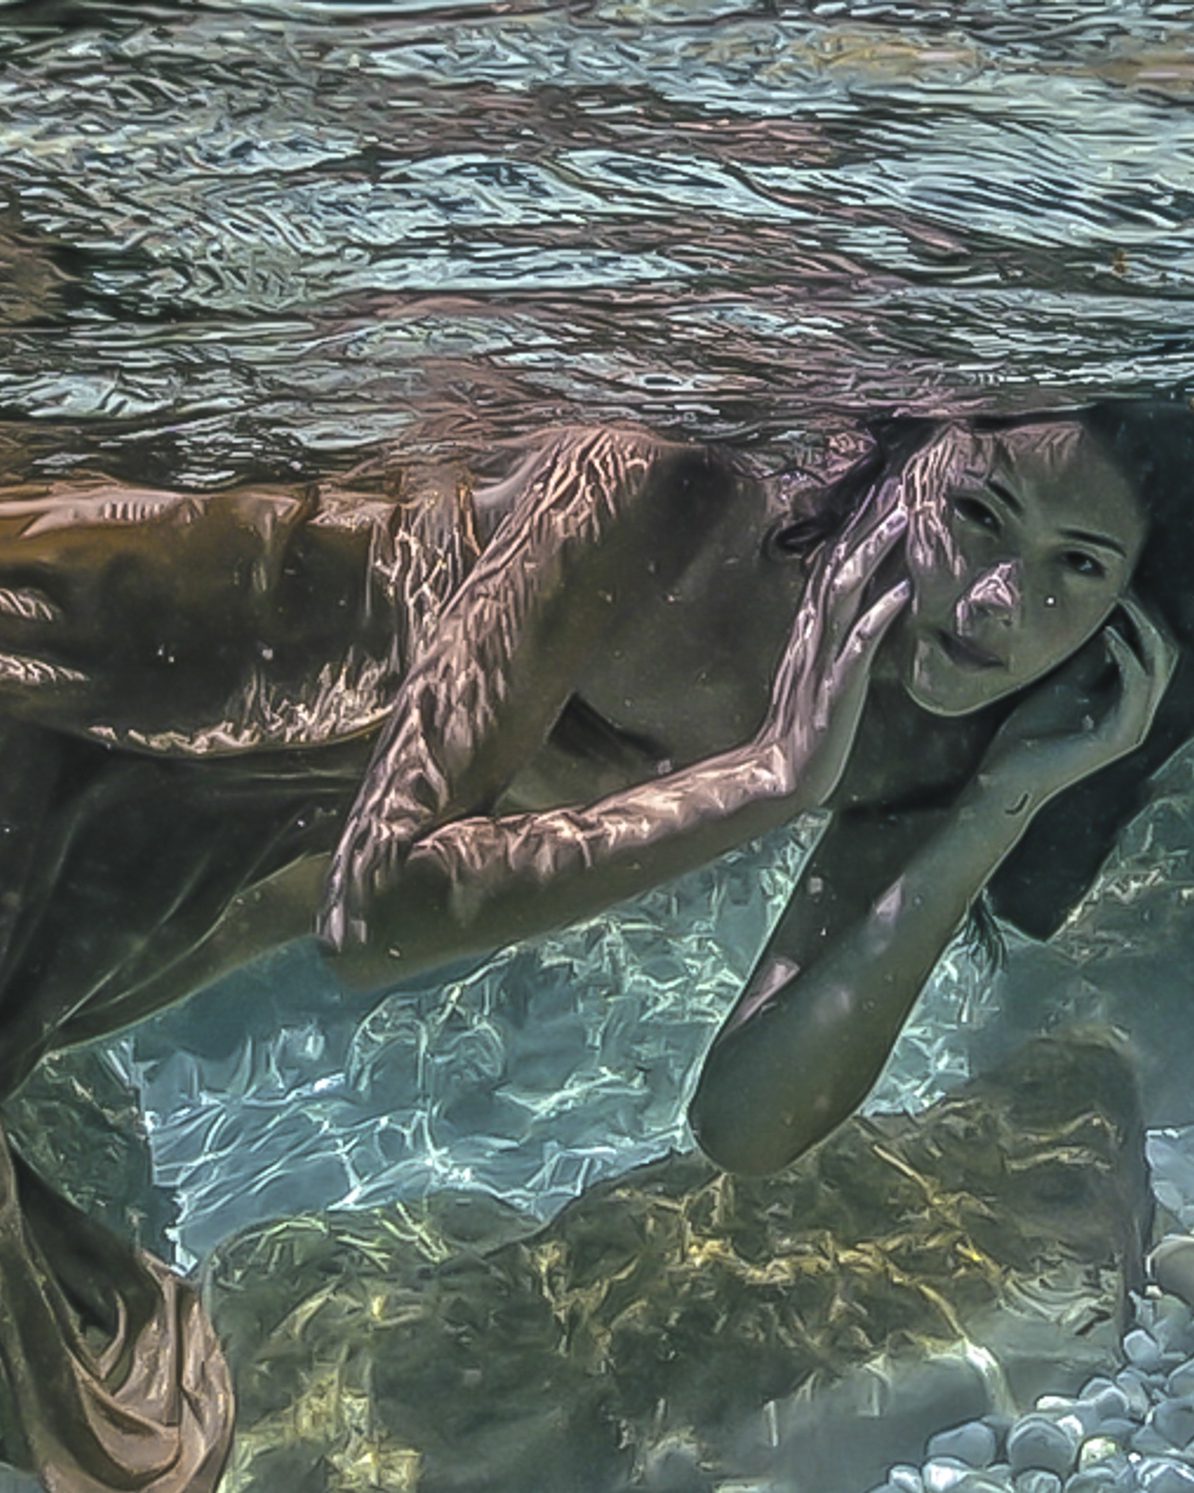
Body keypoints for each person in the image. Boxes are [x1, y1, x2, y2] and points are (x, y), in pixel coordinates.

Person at [0, 400, 1188, 1490]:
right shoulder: (654, 487)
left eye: (1076, 568)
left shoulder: (924, 731)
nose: (995, 604)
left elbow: (750, 1123)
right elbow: (372, 918)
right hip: (109, 646)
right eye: (979, 515)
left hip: (182, 842)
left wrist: (999, 808)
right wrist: (766, 778)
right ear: (895, 461)